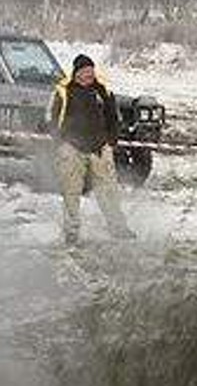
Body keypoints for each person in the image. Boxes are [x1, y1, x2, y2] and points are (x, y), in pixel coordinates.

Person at [48, 54, 136, 244]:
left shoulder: (103, 90)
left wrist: (111, 140)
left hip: (99, 147)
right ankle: (72, 231)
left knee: (108, 190)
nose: (89, 74)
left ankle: (118, 227)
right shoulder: (63, 92)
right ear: (77, 73)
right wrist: (60, 142)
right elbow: (52, 118)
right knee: (71, 192)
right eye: (85, 71)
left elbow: (113, 117)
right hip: (72, 147)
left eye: (91, 71)